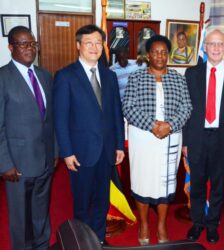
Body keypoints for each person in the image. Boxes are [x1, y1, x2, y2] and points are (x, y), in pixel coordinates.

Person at [53, 24, 125, 245]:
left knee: (102, 201)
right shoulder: (65, 76)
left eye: (98, 43)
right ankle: (82, 243)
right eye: (88, 43)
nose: (94, 47)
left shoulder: (109, 76)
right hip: (80, 152)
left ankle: (100, 241)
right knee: (83, 203)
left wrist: (119, 145)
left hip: (106, 151)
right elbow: (60, 118)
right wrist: (66, 152)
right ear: (78, 46)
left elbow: (116, 112)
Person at [123, 35, 192, 245]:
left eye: (163, 52)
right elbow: (128, 107)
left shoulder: (179, 78)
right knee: (143, 181)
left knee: (165, 183)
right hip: (143, 139)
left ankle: (161, 224)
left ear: (168, 55)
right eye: (155, 52)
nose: (159, 56)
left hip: (170, 137)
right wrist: (152, 125)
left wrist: (169, 126)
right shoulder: (136, 78)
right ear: (148, 54)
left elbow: (187, 107)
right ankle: (144, 223)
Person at [183, 29, 224, 244]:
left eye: (220, 43)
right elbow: (186, 110)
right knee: (198, 185)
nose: (216, 48)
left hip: (223, 140)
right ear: (204, 47)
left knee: (219, 187)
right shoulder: (192, 74)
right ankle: (197, 223)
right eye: (212, 44)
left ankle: (212, 225)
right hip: (197, 139)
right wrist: (185, 142)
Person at [0, 26, 56, 250]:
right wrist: (4, 163)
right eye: (23, 44)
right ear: (10, 47)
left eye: (32, 43)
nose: (29, 48)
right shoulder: (2, 77)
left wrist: (55, 152)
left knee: (41, 210)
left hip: (44, 160)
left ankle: (41, 245)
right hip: (17, 164)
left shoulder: (44, 75)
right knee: (21, 216)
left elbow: (50, 119)